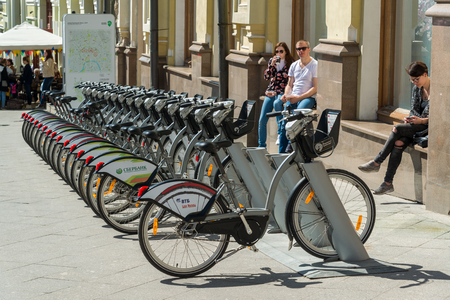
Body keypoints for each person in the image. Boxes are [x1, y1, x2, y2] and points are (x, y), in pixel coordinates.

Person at [358, 61, 430, 195]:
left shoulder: (438, 90)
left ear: (425, 74)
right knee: (398, 142)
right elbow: (413, 110)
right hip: (415, 126)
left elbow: (440, 117)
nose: (414, 82)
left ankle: (377, 162)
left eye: (416, 79)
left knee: (397, 129)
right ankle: (387, 183)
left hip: (428, 128)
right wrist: (410, 119)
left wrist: (422, 120)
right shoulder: (417, 89)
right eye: (411, 80)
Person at [277, 40, 318, 153]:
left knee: (296, 117)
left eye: (303, 48)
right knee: (284, 122)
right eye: (298, 49)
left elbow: (315, 87)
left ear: (309, 49)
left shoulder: (314, 64)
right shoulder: (294, 65)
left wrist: (299, 98)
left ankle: (292, 148)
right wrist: (287, 94)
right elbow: (289, 84)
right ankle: (282, 154)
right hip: (293, 97)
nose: (301, 51)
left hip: (307, 98)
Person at [258, 42, 295, 148]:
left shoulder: (291, 63)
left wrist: (283, 92)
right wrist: (271, 65)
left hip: (283, 91)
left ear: (286, 52)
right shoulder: (272, 61)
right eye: (277, 51)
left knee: (277, 103)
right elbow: (266, 77)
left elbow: (291, 81)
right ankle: (261, 146)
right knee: (262, 120)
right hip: (271, 91)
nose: (278, 53)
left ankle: (280, 133)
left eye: (281, 51)